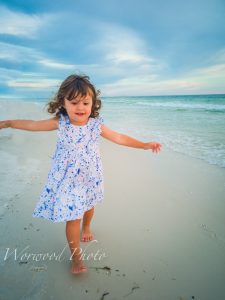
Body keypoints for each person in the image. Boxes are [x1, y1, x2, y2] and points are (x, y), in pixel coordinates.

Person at [0, 74, 162, 274]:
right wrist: (8, 123)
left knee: (89, 207)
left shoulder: (96, 125)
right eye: (74, 102)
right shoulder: (61, 123)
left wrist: (144, 145)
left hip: (90, 177)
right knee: (72, 217)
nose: (80, 107)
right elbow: (33, 124)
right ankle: (76, 259)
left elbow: (119, 137)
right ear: (63, 102)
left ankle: (87, 228)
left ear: (93, 103)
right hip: (67, 181)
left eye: (85, 102)